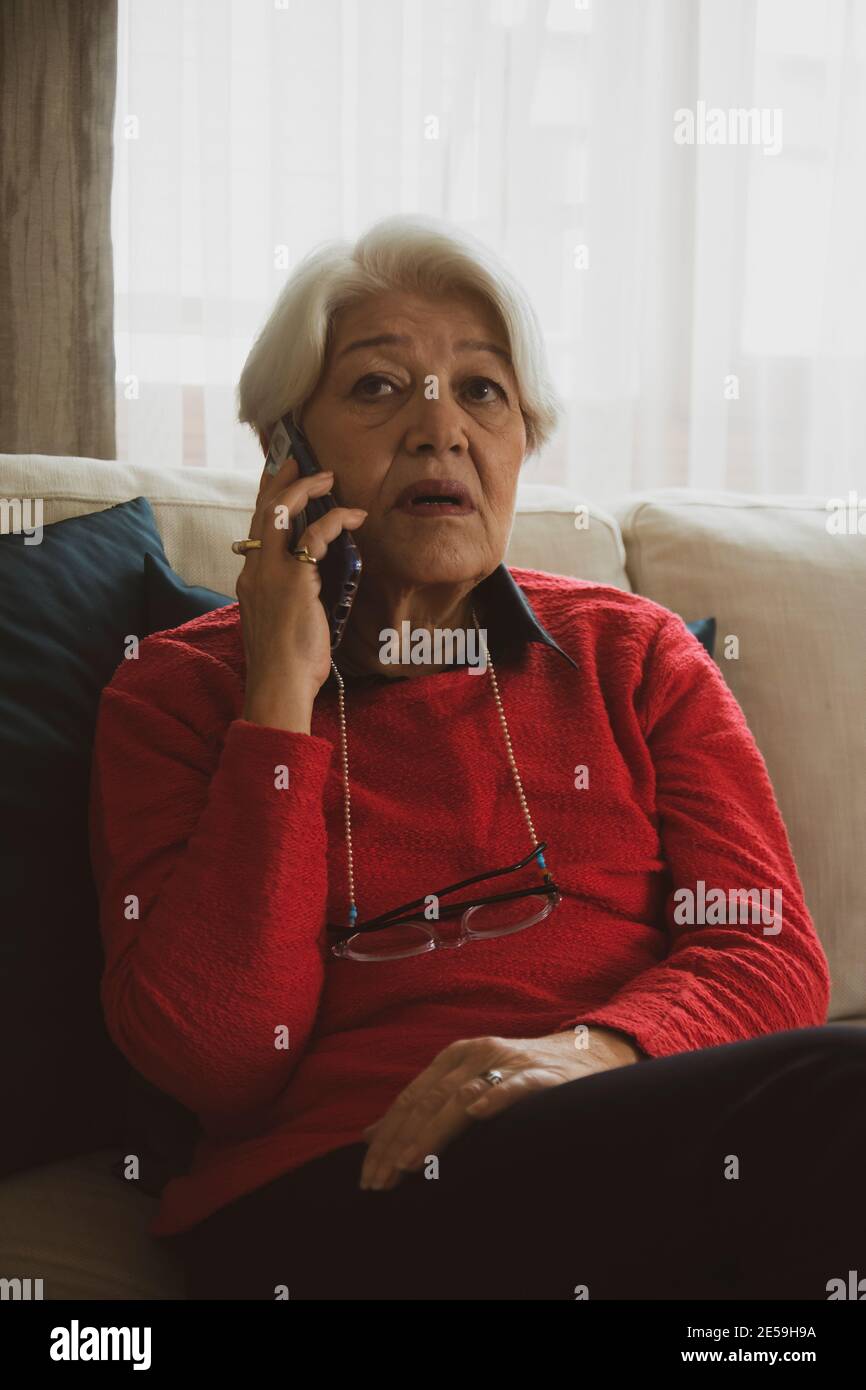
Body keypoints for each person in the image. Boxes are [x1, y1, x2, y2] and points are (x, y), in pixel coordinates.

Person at [89, 213, 863, 1300]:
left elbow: (769, 955)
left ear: (519, 444)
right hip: (336, 1200)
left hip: (628, 1153)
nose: (437, 427)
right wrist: (276, 696)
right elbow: (216, 1055)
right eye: (375, 388)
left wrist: (589, 1053)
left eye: (481, 390)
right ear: (285, 453)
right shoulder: (175, 691)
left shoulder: (630, 655)